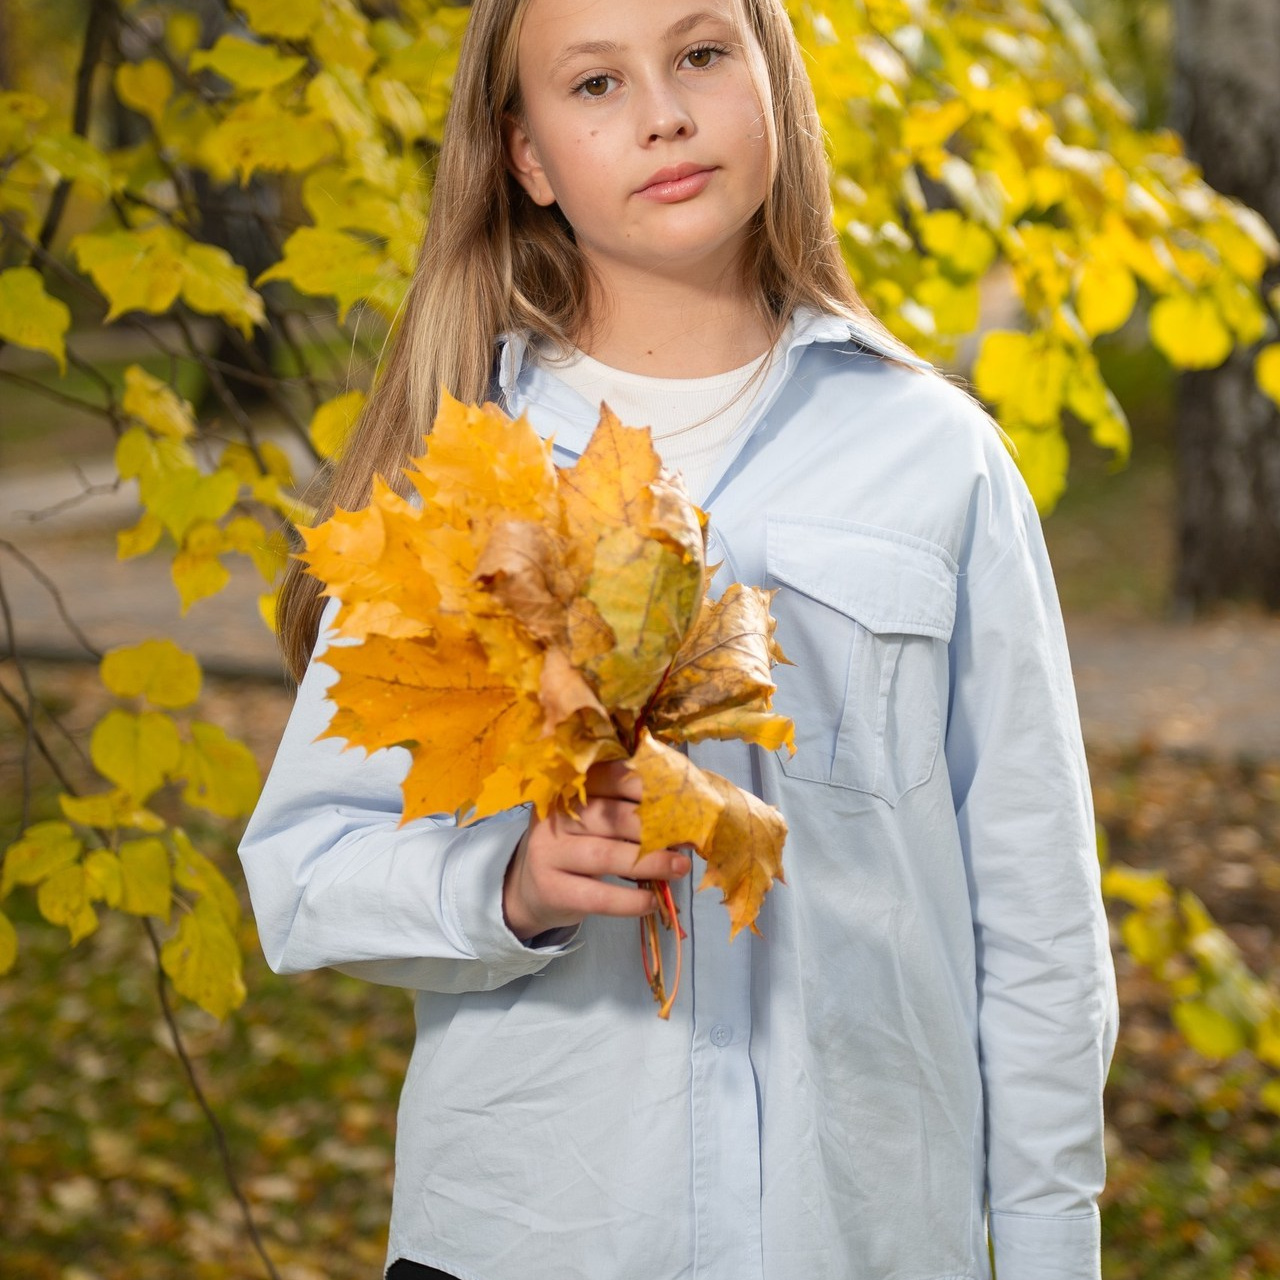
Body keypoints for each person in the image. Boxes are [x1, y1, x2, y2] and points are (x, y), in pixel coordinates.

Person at [238, 0, 1119, 1277]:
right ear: (526, 156)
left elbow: (1035, 918)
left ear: (772, 84)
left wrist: (1048, 1245)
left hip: (860, 1234)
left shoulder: (937, 462)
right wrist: (509, 889)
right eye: (593, 83)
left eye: (700, 54)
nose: (661, 111)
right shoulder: (460, 484)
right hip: (535, 1234)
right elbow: (304, 870)